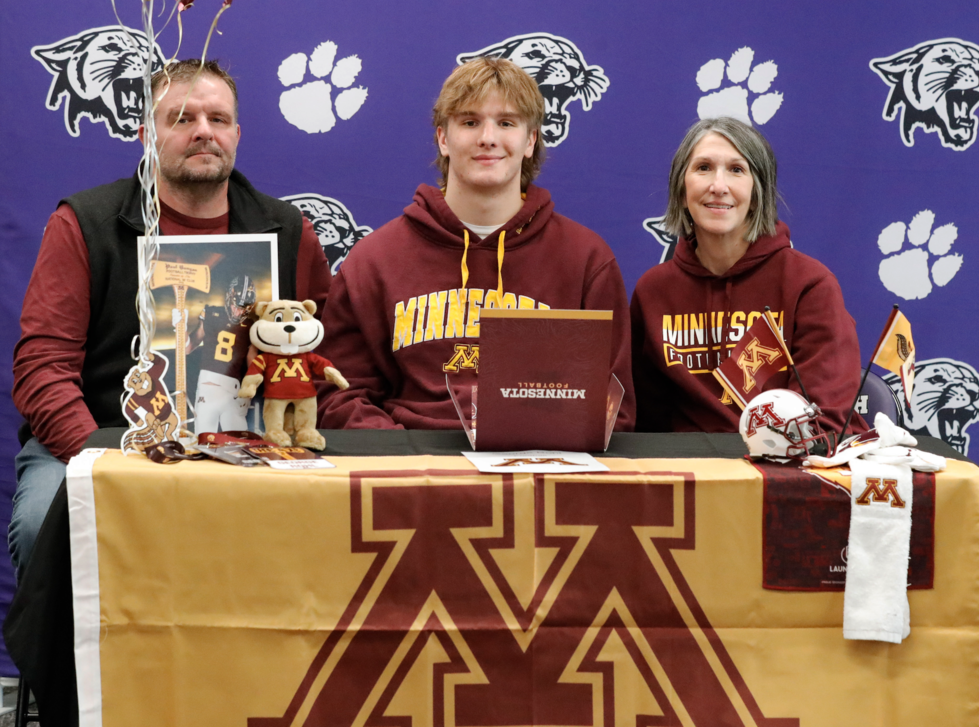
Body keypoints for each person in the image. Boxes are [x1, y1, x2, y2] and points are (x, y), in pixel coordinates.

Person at [10, 59, 331, 578]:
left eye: (218, 119)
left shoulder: (288, 230)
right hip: (100, 438)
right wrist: (107, 461)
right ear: (145, 135)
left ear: (237, 134)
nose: (203, 131)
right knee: (43, 520)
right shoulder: (84, 224)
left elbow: (325, 356)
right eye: (181, 118)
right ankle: (63, 664)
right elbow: (42, 368)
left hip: (249, 443)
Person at [318, 58, 634, 431]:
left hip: (538, 468)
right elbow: (338, 393)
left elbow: (614, 407)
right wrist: (408, 460)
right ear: (443, 138)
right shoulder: (374, 260)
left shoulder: (586, 260)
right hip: (414, 469)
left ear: (530, 140)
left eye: (506, 122)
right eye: (470, 122)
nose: (488, 137)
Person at [630, 116, 865, 434]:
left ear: (758, 193)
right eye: (703, 168)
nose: (718, 186)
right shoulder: (653, 291)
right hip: (687, 471)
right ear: (681, 189)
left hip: (785, 469)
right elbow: (641, 423)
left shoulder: (809, 285)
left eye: (737, 170)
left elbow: (821, 420)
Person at [186, 275, 259, 434]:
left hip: (233, 390)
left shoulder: (250, 326)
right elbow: (188, 347)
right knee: (204, 441)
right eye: (236, 305)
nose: (239, 311)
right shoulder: (210, 313)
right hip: (208, 386)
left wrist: (248, 392)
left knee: (238, 444)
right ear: (228, 297)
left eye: (243, 307)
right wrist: (180, 329)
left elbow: (252, 363)